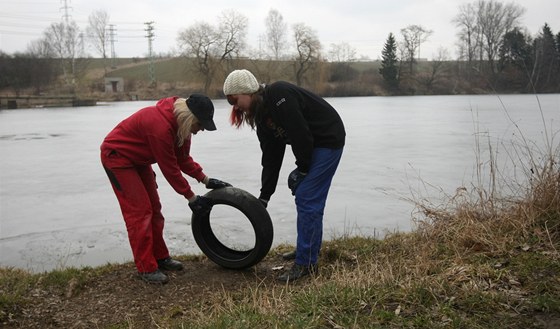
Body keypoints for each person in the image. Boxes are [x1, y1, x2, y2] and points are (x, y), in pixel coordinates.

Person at [223, 69, 346, 282]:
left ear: (247, 92)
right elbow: (271, 158)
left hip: (328, 139)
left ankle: (306, 263)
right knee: (306, 195)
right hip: (312, 144)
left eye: (234, 100)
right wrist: (265, 195)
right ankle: (307, 251)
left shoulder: (279, 95)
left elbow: (300, 133)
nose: (235, 106)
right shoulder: (262, 118)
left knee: (307, 195)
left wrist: (303, 169)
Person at [100, 94, 231, 284]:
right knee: (140, 212)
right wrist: (192, 198)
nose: (200, 130)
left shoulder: (182, 129)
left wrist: (206, 179)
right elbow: (170, 169)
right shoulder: (160, 127)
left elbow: (183, 159)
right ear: (190, 118)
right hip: (117, 157)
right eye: (200, 125)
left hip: (139, 159)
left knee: (155, 208)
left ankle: (161, 257)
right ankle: (146, 268)